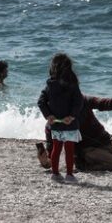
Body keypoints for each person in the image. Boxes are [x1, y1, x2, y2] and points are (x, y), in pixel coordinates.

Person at [36, 88, 112, 172]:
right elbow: (50, 161)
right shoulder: (52, 125)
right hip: (87, 151)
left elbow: (105, 103)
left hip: (109, 141)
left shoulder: (82, 101)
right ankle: (84, 166)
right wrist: (44, 161)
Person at [37, 54, 83, 183]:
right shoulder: (73, 84)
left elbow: (41, 102)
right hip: (70, 124)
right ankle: (69, 175)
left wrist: (48, 115)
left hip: (56, 123)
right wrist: (72, 116)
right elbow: (78, 102)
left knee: (56, 149)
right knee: (69, 150)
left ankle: (55, 174)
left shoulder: (50, 85)